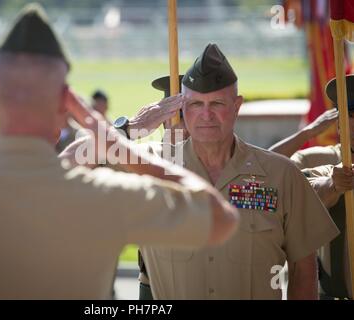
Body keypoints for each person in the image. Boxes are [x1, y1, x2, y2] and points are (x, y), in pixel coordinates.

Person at [0, 4, 238, 299]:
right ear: (66, 103)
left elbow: (57, 167)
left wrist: (123, 132)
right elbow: (219, 217)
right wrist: (116, 139)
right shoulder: (107, 196)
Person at [62, 43, 340, 299]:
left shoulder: (281, 174)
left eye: (217, 103)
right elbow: (68, 163)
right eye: (195, 104)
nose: (206, 115)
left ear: (236, 106)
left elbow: (304, 268)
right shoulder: (146, 166)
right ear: (183, 108)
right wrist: (131, 128)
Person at [269, 75, 354, 300]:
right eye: (351, 115)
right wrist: (308, 133)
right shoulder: (321, 159)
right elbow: (264, 170)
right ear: (339, 121)